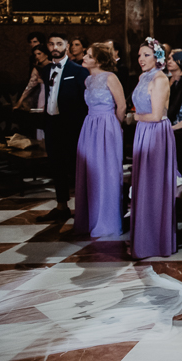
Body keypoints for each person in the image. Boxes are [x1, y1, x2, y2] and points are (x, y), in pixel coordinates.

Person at [130, 38, 177, 259]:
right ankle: (142, 238)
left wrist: (134, 117)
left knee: (154, 186)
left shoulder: (160, 79)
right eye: (139, 55)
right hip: (143, 131)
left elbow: (157, 115)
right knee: (142, 186)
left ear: (157, 57)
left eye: (146, 55)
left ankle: (155, 241)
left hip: (156, 133)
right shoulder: (143, 77)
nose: (141, 59)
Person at [73, 43, 126, 238]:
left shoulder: (111, 78)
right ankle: (90, 218)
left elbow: (121, 106)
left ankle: (107, 221)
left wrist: (113, 127)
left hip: (107, 125)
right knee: (90, 171)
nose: (84, 58)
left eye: (88, 55)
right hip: (90, 125)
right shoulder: (88, 80)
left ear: (98, 60)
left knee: (107, 173)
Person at [39, 33, 89, 223]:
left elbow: (85, 101)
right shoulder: (46, 70)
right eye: (51, 43)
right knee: (55, 165)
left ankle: (82, 209)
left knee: (75, 166)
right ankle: (61, 206)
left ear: (66, 46)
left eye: (59, 43)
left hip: (72, 126)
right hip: (52, 123)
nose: (54, 47)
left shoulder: (78, 71)